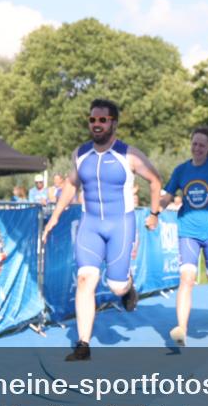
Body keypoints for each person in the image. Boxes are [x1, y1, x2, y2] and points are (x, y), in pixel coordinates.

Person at [43, 99, 163, 361]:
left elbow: (155, 181)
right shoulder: (80, 153)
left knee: (116, 286)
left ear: (113, 123)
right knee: (86, 280)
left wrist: (154, 214)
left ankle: (128, 288)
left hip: (121, 224)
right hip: (91, 225)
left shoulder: (128, 155)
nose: (96, 124)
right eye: (92, 120)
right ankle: (83, 344)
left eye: (102, 120)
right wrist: (54, 217)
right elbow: (72, 185)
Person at [158, 127, 208, 347]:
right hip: (188, 230)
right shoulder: (182, 170)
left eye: (202, 145)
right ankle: (181, 328)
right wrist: (157, 209)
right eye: (194, 144)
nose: (197, 148)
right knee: (187, 279)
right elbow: (168, 196)